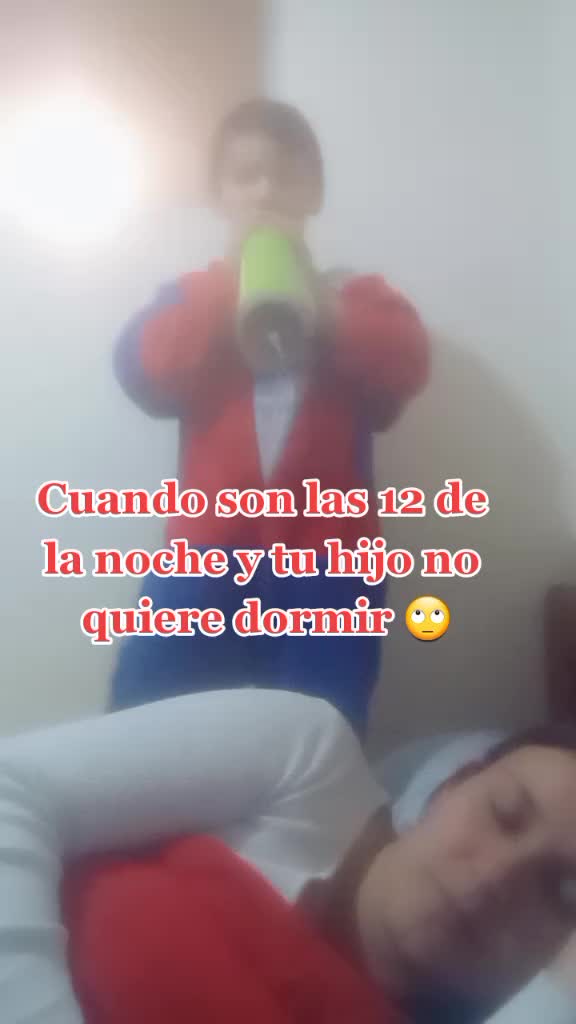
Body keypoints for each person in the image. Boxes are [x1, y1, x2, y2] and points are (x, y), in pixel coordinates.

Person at [111, 98, 429, 730]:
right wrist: (234, 279)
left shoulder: (354, 295)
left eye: (285, 176)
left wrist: (318, 302)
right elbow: (145, 364)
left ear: (315, 193)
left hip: (329, 563)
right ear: (219, 196)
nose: (265, 191)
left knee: (318, 732)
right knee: (147, 722)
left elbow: (407, 358)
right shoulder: (194, 294)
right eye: (245, 176)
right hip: (205, 553)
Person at [1, 689, 576, 1022]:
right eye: (504, 812)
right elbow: (12, 789)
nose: (498, 877)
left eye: (561, 893)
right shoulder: (308, 760)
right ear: (452, 785)